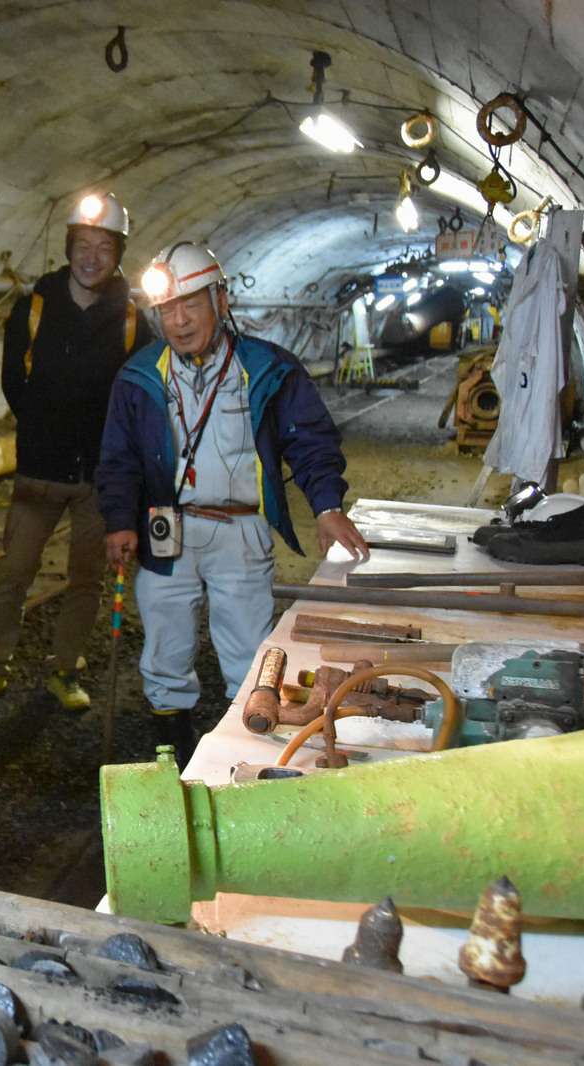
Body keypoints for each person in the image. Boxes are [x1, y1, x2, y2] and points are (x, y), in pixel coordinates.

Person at [97, 242, 368, 757]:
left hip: (240, 528)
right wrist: (118, 519)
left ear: (221, 302)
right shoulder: (137, 378)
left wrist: (327, 506)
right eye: (167, 310)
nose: (178, 321)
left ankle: (244, 749)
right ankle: (170, 752)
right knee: (164, 645)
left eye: (191, 304)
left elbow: (310, 441)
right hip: (165, 524)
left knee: (249, 650)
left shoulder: (267, 369)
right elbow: (119, 458)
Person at [0, 192, 151, 713]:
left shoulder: (134, 320)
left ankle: (65, 668)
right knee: (13, 576)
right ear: (69, 248)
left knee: (86, 579)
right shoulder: (35, 306)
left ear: (118, 253)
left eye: (103, 246)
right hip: (38, 473)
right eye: (82, 244)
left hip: (97, 479)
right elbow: (12, 381)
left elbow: (142, 398)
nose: (91, 256)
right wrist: (44, 430)